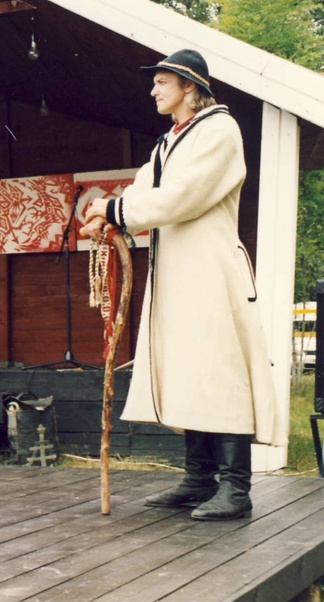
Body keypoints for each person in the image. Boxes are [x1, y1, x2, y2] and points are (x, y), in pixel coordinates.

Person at [81, 49, 286, 520]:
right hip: (177, 275)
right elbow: (141, 195)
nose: (153, 90)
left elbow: (181, 197)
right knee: (191, 372)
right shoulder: (166, 142)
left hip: (210, 273)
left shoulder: (218, 131)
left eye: (162, 82)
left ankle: (236, 488)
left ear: (189, 86)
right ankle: (198, 480)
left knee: (221, 373)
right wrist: (106, 217)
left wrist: (115, 213)